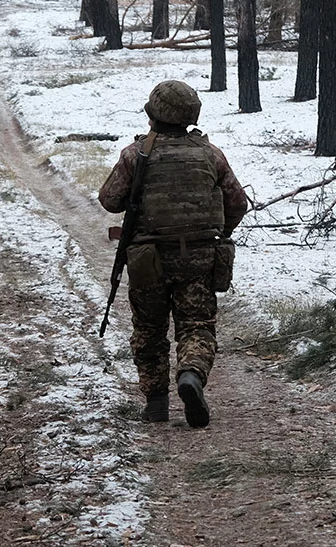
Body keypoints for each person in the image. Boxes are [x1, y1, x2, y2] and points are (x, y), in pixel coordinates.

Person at [97, 80, 248, 428]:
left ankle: (156, 403)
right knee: (196, 325)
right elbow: (237, 203)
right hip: (199, 259)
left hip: (149, 259)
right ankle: (191, 375)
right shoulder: (211, 154)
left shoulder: (136, 155)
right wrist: (219, 234)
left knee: (149, 329)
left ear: (154, 115)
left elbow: (109, 200)